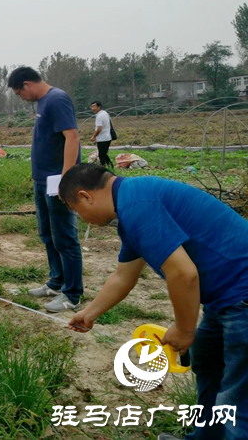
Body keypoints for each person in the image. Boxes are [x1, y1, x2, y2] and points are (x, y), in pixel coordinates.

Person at [59, 163, 248, 440]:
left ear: (86, 196)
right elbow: (124, 276)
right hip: (224, 299)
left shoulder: (138, 205)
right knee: (208, 366)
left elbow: (184, 274)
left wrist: (184, 330)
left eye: (77, 210)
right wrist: (89, 313)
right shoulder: (131, 204)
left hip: (241, 297)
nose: (83, 218)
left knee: (237, 396)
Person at [7, 66, 83, 312]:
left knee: (65, 237)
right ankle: (55, 282)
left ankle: (72, 295)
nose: (21, 98)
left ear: (27, 84)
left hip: (56, 183)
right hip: (42, 181)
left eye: (19, 93)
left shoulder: (57, 99)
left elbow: (72, 137)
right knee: (48, 234)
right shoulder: (42, 103)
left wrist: (66, 179)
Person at [89, 101, 113, 167]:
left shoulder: (99, 116)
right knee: (104, 153)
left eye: (94, 106)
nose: (92, 108)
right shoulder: (105, 113)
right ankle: (110, 165)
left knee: (101, 155)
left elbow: (99, 128)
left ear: (99, 107)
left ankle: (103, 167)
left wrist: (93, 136)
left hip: (102, 138)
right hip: (108, 137)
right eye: (91, 107)